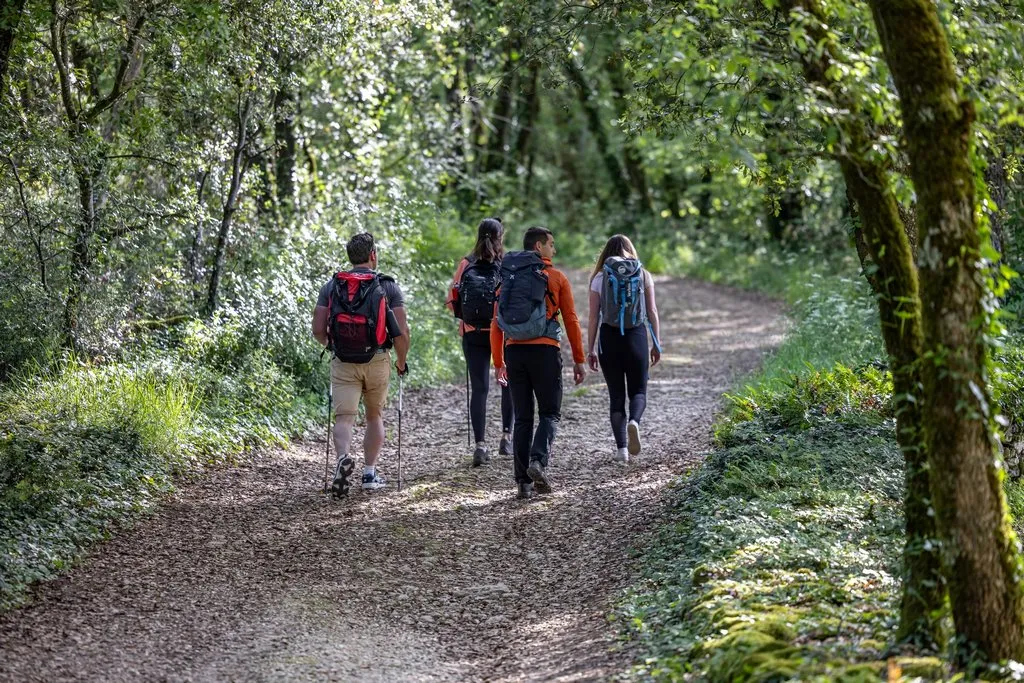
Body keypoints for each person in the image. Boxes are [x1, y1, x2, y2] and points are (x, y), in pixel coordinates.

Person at [491, 226, 586, 500]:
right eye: (551, 244)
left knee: (522, 418)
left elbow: (496, 323)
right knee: (550, 413)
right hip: (545, 352)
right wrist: (578, 359)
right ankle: (538, 461)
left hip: (514, 354)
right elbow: (570, 319)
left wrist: (499, 361)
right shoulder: (555, 277)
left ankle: (523, 483)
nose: (554, 250)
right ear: (538, 247)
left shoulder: (507, 278)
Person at [312, 232, 410, 497]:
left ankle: (343, 458)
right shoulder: (387, 286)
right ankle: (369, 473)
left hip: (343, 360)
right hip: (377, 358)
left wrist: (332, 346)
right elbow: (401, 332)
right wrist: (401, 362)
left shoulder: (332, 286)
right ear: (373, 255)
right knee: (374, 416)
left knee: (344, 418)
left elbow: (318, 329)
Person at [586, 234, 661, 463]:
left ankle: (622, 451)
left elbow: (592, 317)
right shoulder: (642, 273)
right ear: (630, 250)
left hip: (609, 338)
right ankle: (634, 422)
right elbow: (652, 312)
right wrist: (656, 343)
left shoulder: (600, 276)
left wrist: (590, 349)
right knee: (638, 391)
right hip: (636, 336)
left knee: (616, 396)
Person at [447, 217, 514, 467]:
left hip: (473, 332)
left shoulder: (466, 263)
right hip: (501, 333)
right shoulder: (505, 264)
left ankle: (480, 445)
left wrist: (463, 320)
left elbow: (453, 295)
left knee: (480, 389)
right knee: (507, 383)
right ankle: (507, 437)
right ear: (500, 237)